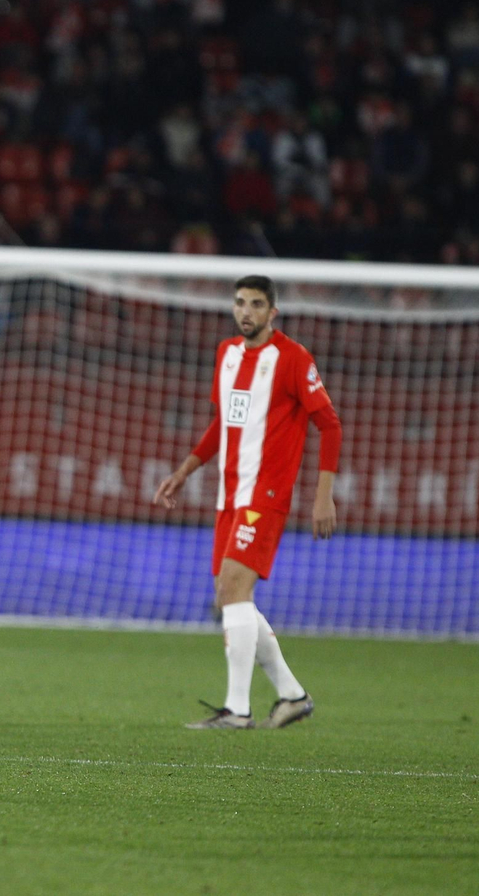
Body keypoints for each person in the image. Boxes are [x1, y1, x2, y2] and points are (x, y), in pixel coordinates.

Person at [152, 275, 341, 730]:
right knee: (232, 597)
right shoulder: (227, 354)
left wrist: (323, 497)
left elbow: (329, 425)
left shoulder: (293, 359)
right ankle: (293, 696)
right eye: (240, 303)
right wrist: (184, 471)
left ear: (272, 312)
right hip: (230, 495)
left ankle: (238, 710)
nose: (246, 312)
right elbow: (224, 424)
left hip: (267, 493)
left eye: (256, 304)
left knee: (232, 593)